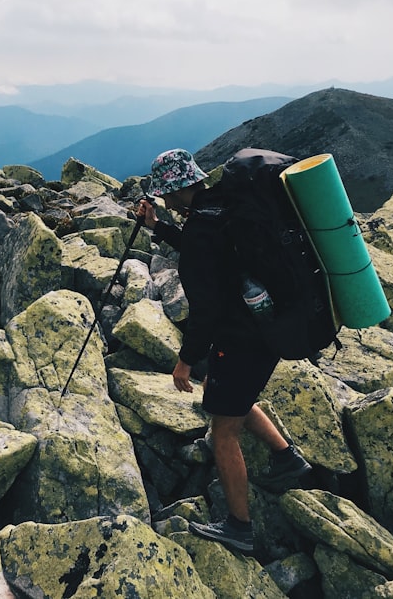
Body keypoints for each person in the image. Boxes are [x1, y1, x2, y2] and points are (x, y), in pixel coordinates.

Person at [136, 148, 311, 554]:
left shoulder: (202, 225)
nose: (163, 200)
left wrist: (184, 361)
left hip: (240, 338)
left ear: (178, 188)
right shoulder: (224, 205)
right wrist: (159, 228)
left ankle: (239, 527)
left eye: (166, 193)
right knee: (229, 394)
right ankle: (287, 459)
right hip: (269, 325)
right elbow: (211, 252)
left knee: (223, 431)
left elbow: (207, 309)